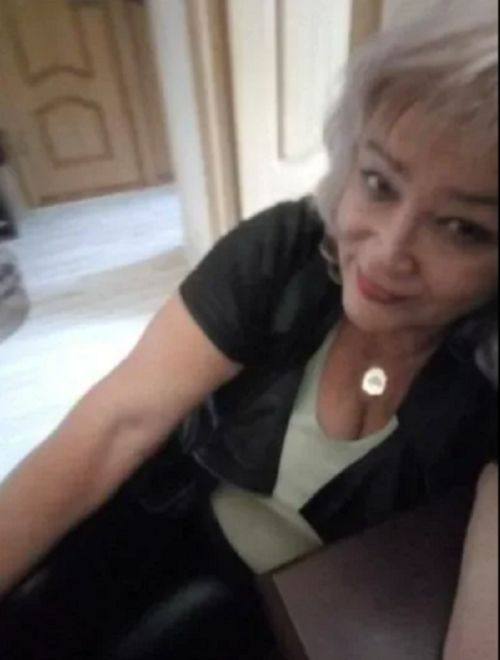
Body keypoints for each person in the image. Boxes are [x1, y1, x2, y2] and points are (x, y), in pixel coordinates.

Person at [0, 1, 498, 658]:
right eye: (379, 184)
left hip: (308, 619)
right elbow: (116, 423)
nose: (386, 252)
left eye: (463, 228)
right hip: (168, 528)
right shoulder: (285, 254)